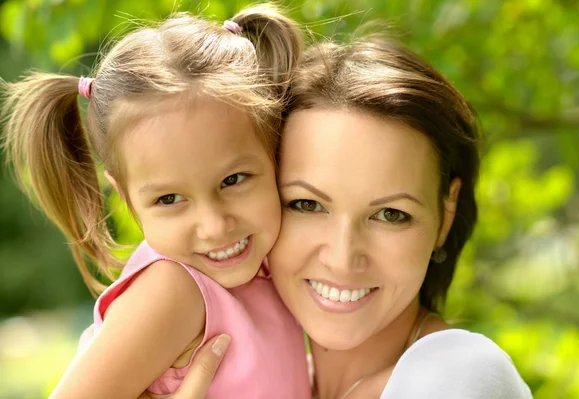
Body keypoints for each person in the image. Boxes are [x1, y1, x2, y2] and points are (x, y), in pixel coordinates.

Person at [174, 38, 534, 398]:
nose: (342, 258)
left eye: (391, 214)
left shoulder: (457, 376)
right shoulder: (261, 385)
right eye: (307, 205)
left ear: (445, 215)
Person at [0, 5, 312, 399]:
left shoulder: (265, 271)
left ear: (276, 154)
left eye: (233, 180)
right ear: (128, 198)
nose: (214, 225)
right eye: (169, 198)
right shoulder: (172, 290)